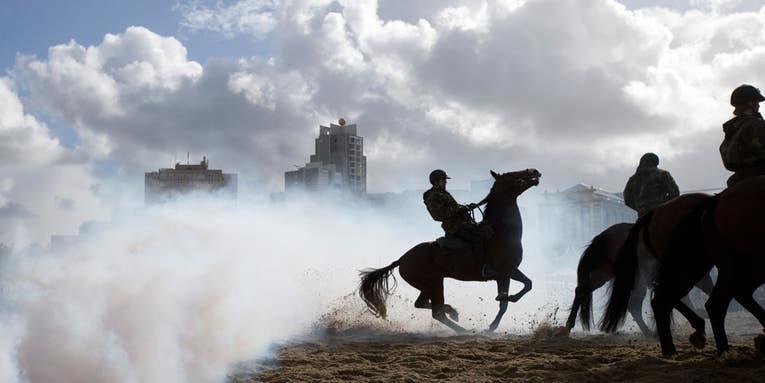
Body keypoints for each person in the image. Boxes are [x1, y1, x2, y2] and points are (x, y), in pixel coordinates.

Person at [423, 169, 495, 278]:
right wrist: (459, 209)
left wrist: (465, 207)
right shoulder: (433, 196)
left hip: (462, 223)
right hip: (454, 227)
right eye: (443, 180)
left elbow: (453, 208)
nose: (446, 183)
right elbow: (437, 215)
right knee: (477, 237)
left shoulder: (443, 193)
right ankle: (483, 268)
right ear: (436, 181)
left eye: (445, 181)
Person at [720, 84, 765, 187]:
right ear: (751, 103)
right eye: (757, 102)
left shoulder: (731, 129)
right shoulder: (756, 125)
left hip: (737, 180)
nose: (758, 105)